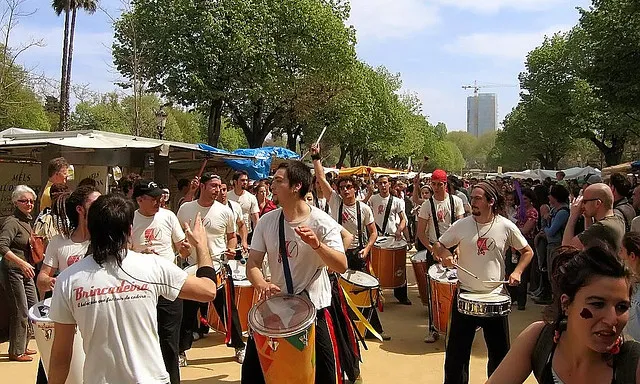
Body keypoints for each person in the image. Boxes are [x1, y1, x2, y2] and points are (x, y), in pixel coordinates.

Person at [46, 194, 218, 384]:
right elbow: (208, 290)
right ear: (130, 230)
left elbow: (60, 356)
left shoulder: (68, 279)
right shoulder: (153, 266)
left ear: (90, 228)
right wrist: (201, 245)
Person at [242, 160, 348, 384]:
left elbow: (341, 265)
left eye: (279, 181)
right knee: (255, 373)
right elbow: (252, 263)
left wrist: (317, 245)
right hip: (276, 309)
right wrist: (261, 283)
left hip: (314, 310)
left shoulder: (321, 222)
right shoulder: (267, 222)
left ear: (297, 186)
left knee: (323, 373)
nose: (272, 186)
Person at [487, 245, 640, 384]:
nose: (612, 319)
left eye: (622, 307)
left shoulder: (633, 365)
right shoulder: (540, 340)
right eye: (597, 304)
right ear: (566, 304)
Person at [434, 181, 533, 384]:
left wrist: (517, 272)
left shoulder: (505, 226)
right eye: (472, 198)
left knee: (500, 355)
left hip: (495, 297)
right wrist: (444, 254)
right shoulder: (462, 225)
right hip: (465, 295)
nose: (473, 202)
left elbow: (527, 251)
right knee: (456, 357)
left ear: (491, 201)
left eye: (478, 198)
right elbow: (439, 245)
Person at [176, 173, 246, 364]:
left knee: (228, 311)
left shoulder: (225, 211)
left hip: (218, 268)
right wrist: (183, 248)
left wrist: (231, 249)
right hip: (192, 269)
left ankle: (239, 346)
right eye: (213, 186)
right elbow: (179, 237)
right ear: (203, 187)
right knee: (188, 314)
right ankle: (181, 351)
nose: (217, 190)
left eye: (219, 186)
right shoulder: (185, 209)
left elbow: (232, 236)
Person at [129, 180, 191, 384]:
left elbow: (181, 245)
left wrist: (186, 248)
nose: (158, 202)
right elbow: (123, 251)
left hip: (168, 288)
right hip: (140, 289)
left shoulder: (168, 216)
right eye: (153, 198)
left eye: (159, 198)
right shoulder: (129, 220)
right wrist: (140, 253)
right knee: (143, 341)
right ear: (139, 199)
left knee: (169, 341)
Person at [37, 186, 101, 297]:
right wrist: (50, 281)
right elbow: (42, 279)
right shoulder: (58, 242)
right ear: (80, 209)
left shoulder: (107, 240)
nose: (102, 208)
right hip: (69, 307)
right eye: (95, 205)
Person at [0, 185, 38, 362]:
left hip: (26, 270)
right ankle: (16, 351)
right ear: (16, 202)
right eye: (24, 201)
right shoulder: (12, 221)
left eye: (31, 201)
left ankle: (23, 344)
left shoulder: (27, 221)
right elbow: (2, 246)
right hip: (13, 270)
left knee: (32, 307)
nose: (28, 204)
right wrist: (21, 263)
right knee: (20, 310)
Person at [365, 173, 411, 305]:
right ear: (377, 185)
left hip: (391, 237)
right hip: (376, 237)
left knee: (398, 265)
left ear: (389, 184)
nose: (383, 185)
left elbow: (403, 220)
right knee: (374, 267)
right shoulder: (373, 199)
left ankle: (401, 295)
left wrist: (399, 230)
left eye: (385, 182)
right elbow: (363, 210)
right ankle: (374, 295)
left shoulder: (397, 201)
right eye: (380, 183)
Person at [532, 184, 570, 305]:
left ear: (555, 197)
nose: (548, 196)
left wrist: (544, 224)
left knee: (555, 276)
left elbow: (551, 231)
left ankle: (557, 303)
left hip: (557, 246)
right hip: (551, 245)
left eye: (550, 194)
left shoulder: (562, 212)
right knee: (550, 274)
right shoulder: (554, 210)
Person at [562, 183, 625, 252]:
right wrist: (587, 216)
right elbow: (589, 241)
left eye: (585, 201)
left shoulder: (602, 227)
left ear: (597, 203)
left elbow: (566, 248)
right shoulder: (618, 219)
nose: (582, 205)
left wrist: (573, 216)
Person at [508, 188, 538, 310]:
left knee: (522, 274)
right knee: (510, 270)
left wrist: (511, 228)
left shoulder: (533, 212)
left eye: (525, 199)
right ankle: (513, 297)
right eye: (522, 198)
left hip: (526, 244)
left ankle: (521, 302)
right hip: (513, 244)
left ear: (531, 199)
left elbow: (526, 230)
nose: (523, 201)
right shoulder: (518, 210)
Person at [218, 181, 248, 254]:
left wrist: (244, 241)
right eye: (220, 190)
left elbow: (241, 225)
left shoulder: (235, 206)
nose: (222, 193)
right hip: (217, 249)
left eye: (224, 190)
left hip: (232, 249)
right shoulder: (211, 208)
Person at [228, 170, 259, 242]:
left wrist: (257, 234)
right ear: (235, 182)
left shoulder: (251, 197)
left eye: (246, 180)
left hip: (247, 234)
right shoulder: (227, 196)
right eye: (242, 180)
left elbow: (255, 218)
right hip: (231, 234)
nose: (245, 182)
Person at [620, 232, 640, 341]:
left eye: (621, 251)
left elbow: (635, 338)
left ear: (632, 256)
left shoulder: (635, 300)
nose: (619, 255)